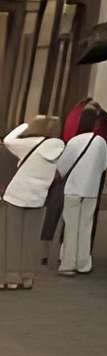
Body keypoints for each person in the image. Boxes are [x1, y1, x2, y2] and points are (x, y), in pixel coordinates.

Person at [2, 118, 63, 289]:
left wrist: (23, 126)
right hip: (38, 198)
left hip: (16, 196)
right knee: (30, 240)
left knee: (12, 238)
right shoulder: (59, 147)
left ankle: (11, 278)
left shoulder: (30, 143)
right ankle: (27, 277)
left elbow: (7, 140)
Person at [54, 108, 107, 276]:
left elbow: (62, 167)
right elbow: (103, 166)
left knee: (71, 226)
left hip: (73, 188)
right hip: (91, 189)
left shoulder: (74, 141)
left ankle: (67, 264)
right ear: (96, 123)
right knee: (86, 226)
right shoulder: (101, 142)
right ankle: (83, 264)